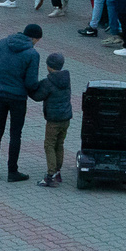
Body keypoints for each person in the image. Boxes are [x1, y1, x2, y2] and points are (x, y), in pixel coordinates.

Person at [0, 23, 44, 182]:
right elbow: (31, 82)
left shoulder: (2, 43)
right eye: (37, 40)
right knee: (15, 134)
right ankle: (12, 171)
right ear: (33, 38)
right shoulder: (32, 54)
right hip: (18, 98)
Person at [34, 50, 73, 187]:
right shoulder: (66, 79)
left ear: (49, 66)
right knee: (59, 144)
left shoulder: (49, 82)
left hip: (53, 120)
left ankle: (51, 175)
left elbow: (38, 96)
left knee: (49, 145)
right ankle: (58, 171)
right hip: (66, 118)